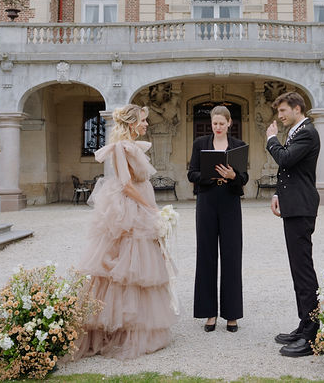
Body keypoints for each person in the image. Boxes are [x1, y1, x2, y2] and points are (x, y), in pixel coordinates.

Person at [73, 104, 176, 360]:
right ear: (132, 123)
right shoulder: (120, 147)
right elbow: (126, 185)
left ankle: (140, 323)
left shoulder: (135, 146)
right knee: (125, 268)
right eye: (143, 121)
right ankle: (120, 330)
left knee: (142, 268)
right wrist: (151, 208)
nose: (146, 125)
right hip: (130, 209)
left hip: (140, 206)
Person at [264, 91, 321, 358]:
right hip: (293, 205)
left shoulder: (308, 132)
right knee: (298, 270)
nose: (280, 116)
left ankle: (311, 335)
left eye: (283, 111)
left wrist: (271, 140)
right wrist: (278, 194)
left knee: (304, 271)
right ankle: (303, 324)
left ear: (297, 108)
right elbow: (290, 171)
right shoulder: (297, 131)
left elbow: (285, 159)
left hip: (302, 208)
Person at [187, 105, 248, 333]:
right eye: (215, 123)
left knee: (232, 257)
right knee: (206, 256)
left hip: (230, 202)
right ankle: (209, 314)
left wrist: (233, 176)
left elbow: (244, 177)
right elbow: (191, 173)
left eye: (222, 123)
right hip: (207, 202)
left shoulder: (239, 146)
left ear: (230, 123)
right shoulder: (200, 144)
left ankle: (231, 315)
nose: (218, 127)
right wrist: (210, 175)